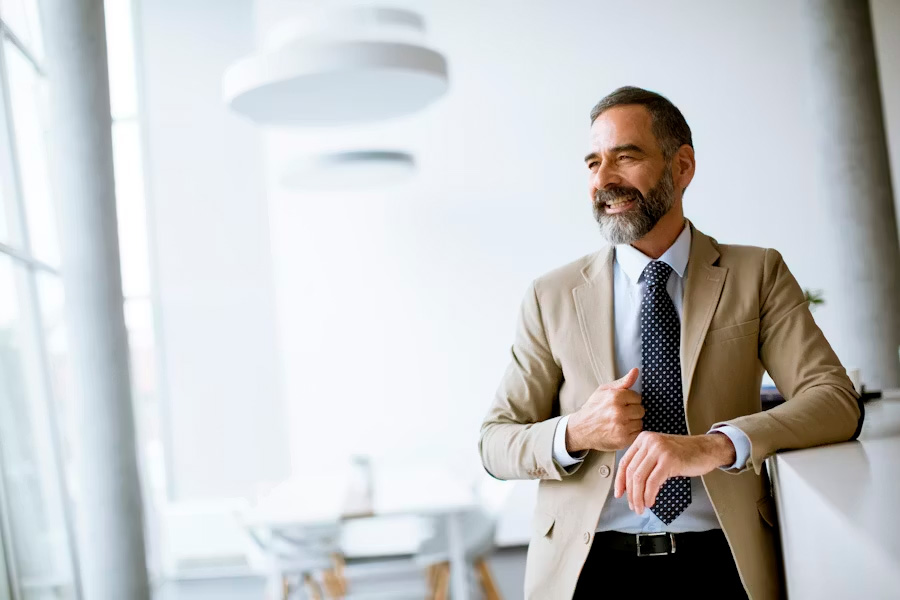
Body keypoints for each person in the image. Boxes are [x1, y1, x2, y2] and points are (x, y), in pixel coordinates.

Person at [478, 86, 860, 599]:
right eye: (593, 163)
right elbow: (495, 441)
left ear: (682, 167)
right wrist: (576, 431)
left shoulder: (757, 273)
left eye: (625, 157)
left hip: (724, 563)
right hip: (588, 572)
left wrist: (714, 445)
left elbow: (835, 401)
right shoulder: (551, 296)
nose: (604, 179)